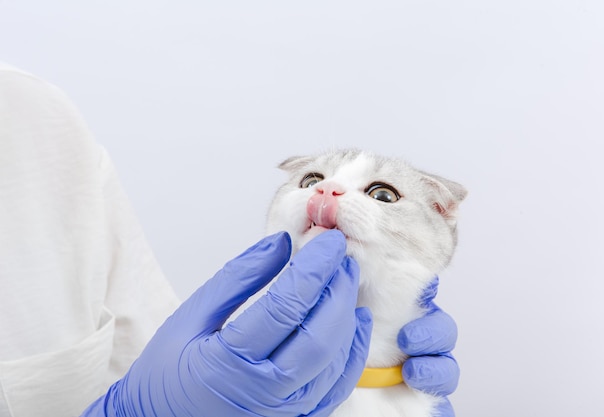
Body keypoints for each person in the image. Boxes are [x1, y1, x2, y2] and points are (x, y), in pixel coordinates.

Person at [0, 63, 460, 417]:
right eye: (312, 178)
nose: (328, 191)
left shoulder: (37, 118)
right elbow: (168, 390)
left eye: (381, 194)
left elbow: (142, 346)